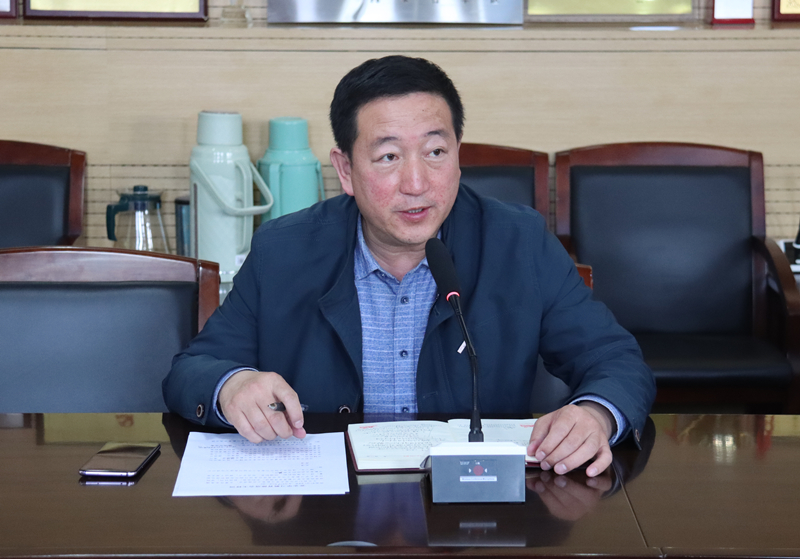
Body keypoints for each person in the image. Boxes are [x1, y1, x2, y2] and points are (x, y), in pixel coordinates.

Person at [163, 55, 656, 477]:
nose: (417, 183)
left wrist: (596, 414)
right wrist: (232, 386)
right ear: (345, 170)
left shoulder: (517, 241)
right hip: (326, 514)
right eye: (389, 157)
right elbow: (192, 370)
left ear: (458, 156)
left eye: (435, 152)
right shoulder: (284, 251)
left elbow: (615, 360)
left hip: (475, 513)